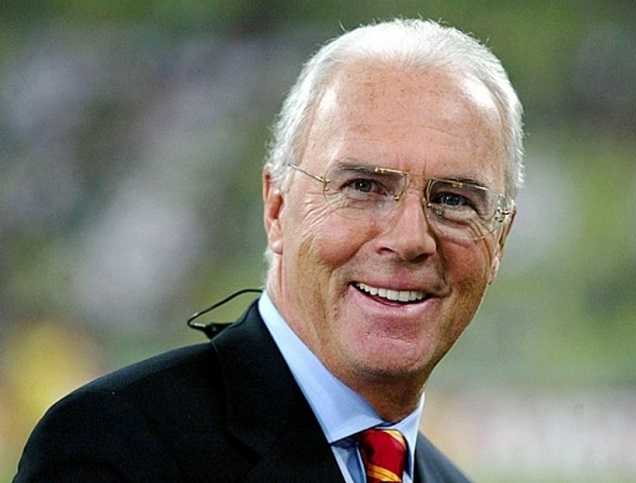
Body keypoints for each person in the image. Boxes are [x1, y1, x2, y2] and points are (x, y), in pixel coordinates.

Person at [15, 18, 523, 483]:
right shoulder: (115, 446)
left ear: (499, 238)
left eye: (454, 200)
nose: (410, 238)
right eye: (364, 186)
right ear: (277, 209)